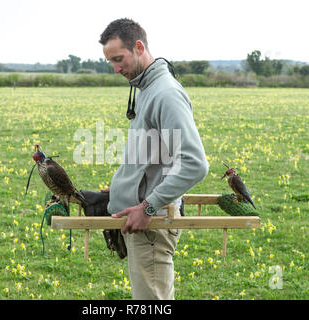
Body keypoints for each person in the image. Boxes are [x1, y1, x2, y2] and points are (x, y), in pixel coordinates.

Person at [99, 18, 209, 300]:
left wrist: (147, 206)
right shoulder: (147, 87)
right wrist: (125, 189)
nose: (116, 68)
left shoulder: (166, 93)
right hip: (142, 219)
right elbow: (152, 157)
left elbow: (194, 163)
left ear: (138, 47)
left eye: (119, 59)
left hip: (152, 223)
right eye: (111, 62)